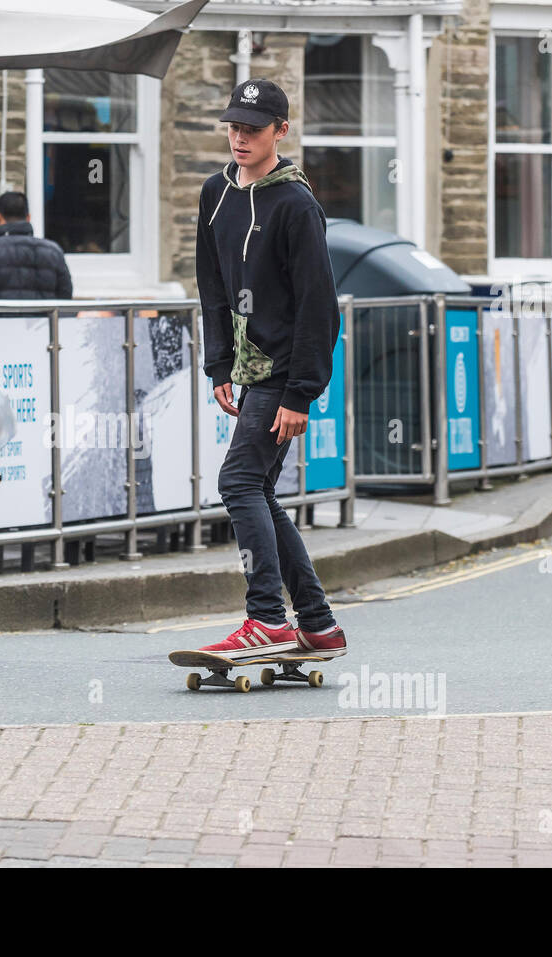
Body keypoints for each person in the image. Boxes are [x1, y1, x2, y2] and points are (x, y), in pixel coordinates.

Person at [194, 78, 347, 660]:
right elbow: (211, 284)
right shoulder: (216, 193)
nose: (239, 138)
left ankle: (267, 619)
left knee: (237, 483)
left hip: (283, 370)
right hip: (246, 365)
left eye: (252, 129)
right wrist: (218, 366)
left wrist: (301, 394)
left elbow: (318, 305)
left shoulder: (297, 204)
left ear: (281, 132)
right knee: (255, 486)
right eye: (233, 127)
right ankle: (316, 622)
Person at [0, 191, 72, 300]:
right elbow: (65, 294)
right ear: (28, 217)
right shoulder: (53, 250)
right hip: (45, 317)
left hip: (2, 317)